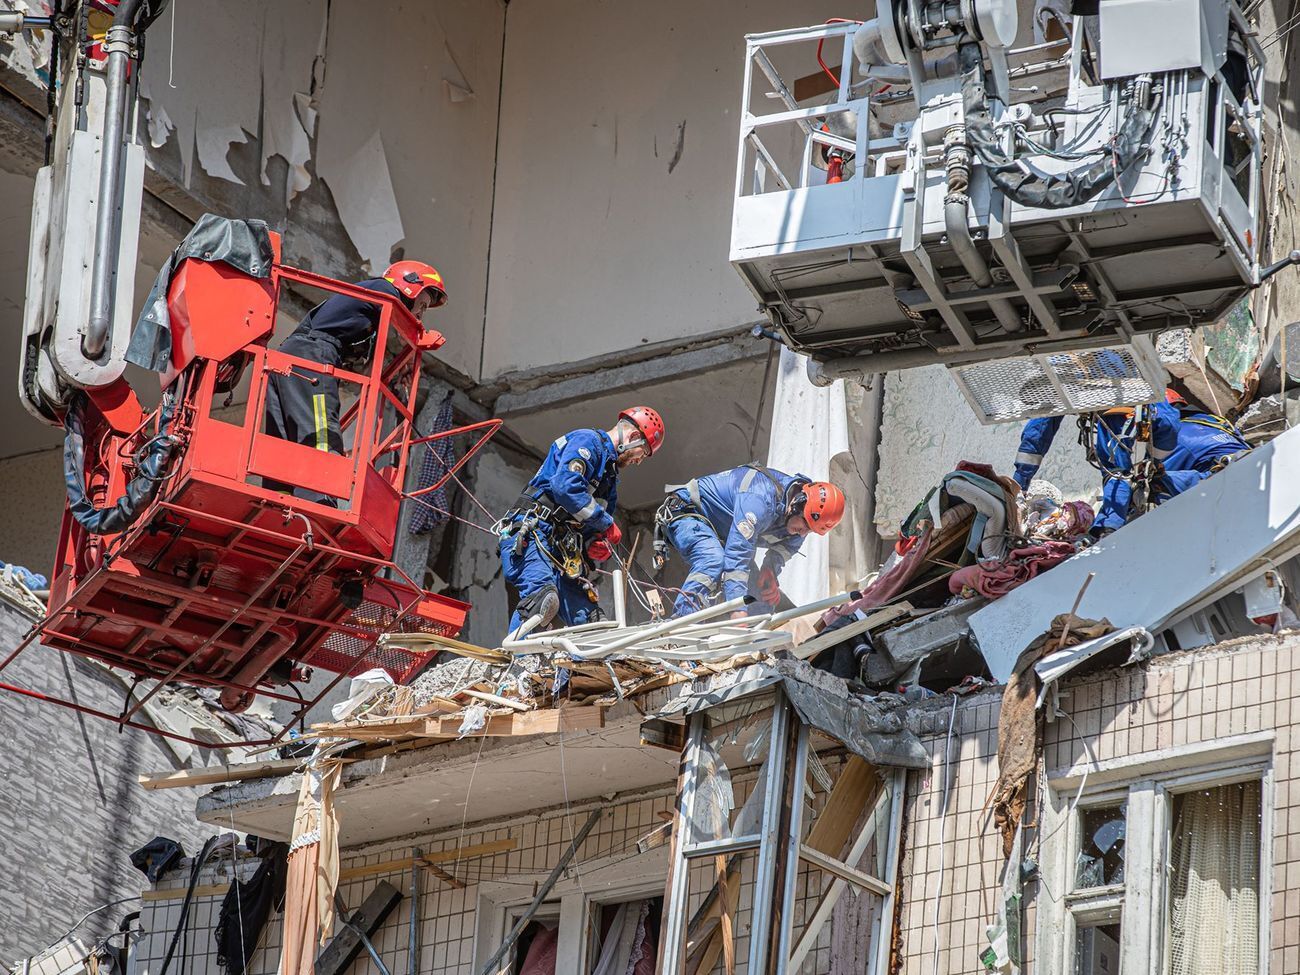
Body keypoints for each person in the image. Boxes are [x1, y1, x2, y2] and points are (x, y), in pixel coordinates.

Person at [264, 260, 446, 501]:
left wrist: (400, 364)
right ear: (409, 284)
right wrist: (417, 339)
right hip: (313, 354)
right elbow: (405, 328)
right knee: (320, 428)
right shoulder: (384, 291)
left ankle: (278, 493)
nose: (421, 313)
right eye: (422, 303)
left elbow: (371, 361)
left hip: (292, 353)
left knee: (286, 431)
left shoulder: (368, 307)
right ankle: (321, 495)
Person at [498, 407, 665, 635]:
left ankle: (579, 670)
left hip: (562, 548)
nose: (638, 461)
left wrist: (596, 543)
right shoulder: (588, 442)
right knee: (542, 600)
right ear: (633, 437)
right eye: (642, 453)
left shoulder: (608, 480)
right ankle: (517, 663)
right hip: (534, 530)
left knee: (591, 624)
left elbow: (589, 521)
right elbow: (566, 487)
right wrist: (605, 524)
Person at [1012, 389, 1249, 534]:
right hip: (1246, 456)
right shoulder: (1210, 422)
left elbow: (1125, 475)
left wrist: (1108, 527)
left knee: (1144, 486)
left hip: (1225, 480)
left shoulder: (1174, 435)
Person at [654, 465, 846, 618]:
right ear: (797, 504)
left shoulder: (799, 518)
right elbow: (737, 555)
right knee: (714, 560)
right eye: (805, 525)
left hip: (723, 534)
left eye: (810, 531)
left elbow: (784, 549)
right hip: (689, 513)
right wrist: (737, 609)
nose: (802, 534)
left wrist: (770, 569)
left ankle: (753, 653)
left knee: (760, 597)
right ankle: (682, 625)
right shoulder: (760, 498)